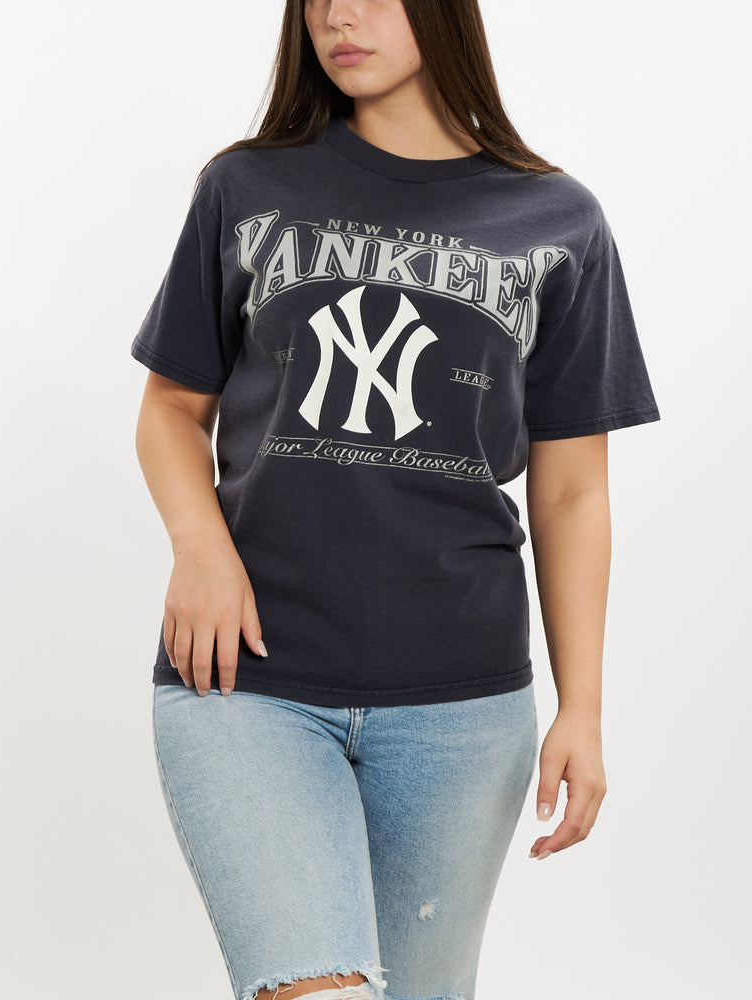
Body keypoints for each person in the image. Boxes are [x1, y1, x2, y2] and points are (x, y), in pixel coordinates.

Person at [131, 2, 660, 999]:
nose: (337, 15)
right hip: (243, 679)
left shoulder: (559, 220)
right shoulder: (244, 187)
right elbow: (169, 407)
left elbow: (571, 491)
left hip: (461, 705)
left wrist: (581, 708)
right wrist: (199, 544)